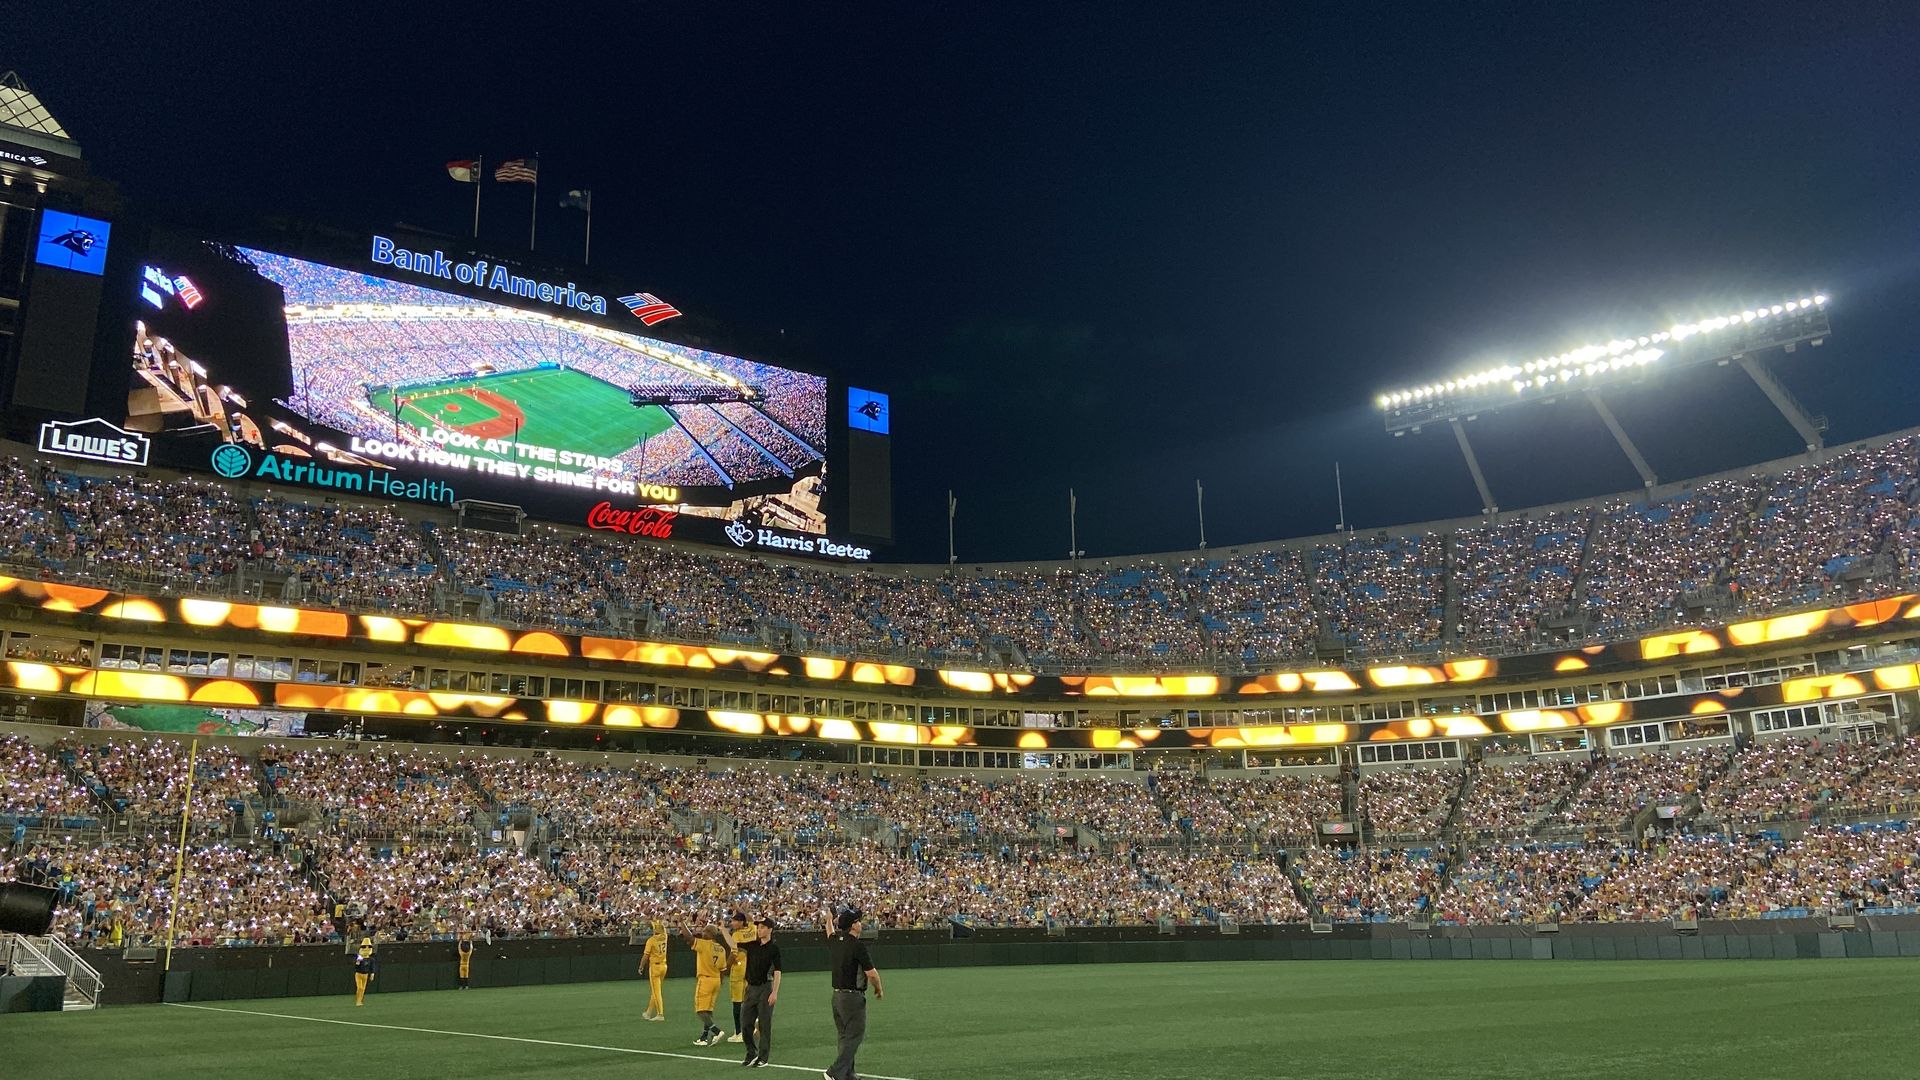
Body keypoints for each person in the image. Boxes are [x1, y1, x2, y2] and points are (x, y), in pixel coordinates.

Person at [822, 907, 883, 1080]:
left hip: (837, 997)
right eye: (857, 921)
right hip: (852, 998)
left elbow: (829, 933)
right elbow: (871, 973)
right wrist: (879, 989)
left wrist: (828, 920)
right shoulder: (857, 946)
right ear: (852, 926)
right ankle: (834, 1072)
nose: (859, 923)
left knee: (844, 1036)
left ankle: (848, 1074)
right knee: (855, 1036)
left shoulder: (836, 941)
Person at [736, 916, 782, 1069]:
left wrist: (774, 992)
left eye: (762, 927)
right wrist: (723, 930)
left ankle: (763, 1057)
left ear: (769, 929)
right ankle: (751, 1052)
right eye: (758, 927)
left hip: (765, 988)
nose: (759, 930)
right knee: (746, 1024)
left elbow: (777, 971)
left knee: (764, 1024)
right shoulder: (752, 945)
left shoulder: (774, 948)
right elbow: (734, 945)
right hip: (751, 989)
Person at [684, 923, 733, 1046]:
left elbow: (689, 938)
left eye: (705, 931)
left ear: (710, 934)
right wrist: (720, 982)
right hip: (716, 980)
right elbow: (723, 969)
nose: (702, 933)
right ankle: (704, 1037)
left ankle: (716, 1031)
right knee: (708, 1010)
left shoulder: (704, 944)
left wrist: (681, 923)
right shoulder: (721, 948)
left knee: (700, 1011)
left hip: (705, 980)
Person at [724, 911, 750, 1042]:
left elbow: (734, 954)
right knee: (747, 1000)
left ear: (740, 922)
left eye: (734, 921)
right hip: (748, 968)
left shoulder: (737, 935)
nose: (732, 923)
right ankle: (750, 1027)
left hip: (738, 970)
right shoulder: (751, 929)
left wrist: (725, 968)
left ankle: (739, 1032)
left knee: (737, 1002)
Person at [640, 920, 668, 1021]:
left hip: (655, 968)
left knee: (657, 992)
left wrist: (641, 966)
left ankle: (660, 1014)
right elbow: (662, 929)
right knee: (656, 991)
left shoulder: (651, 940)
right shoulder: (665, 937)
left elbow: (645, 956)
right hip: (664, 966)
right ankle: (648, 1013)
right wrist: (653, 922)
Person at [352, 937, 379, 1007]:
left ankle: (360, 1001)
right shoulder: (360, 957)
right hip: (359, 974)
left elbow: (372, 967)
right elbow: (356, 966)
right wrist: (357, 962)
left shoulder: (371, 959)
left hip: (365, 974)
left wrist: (372, 974)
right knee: (359, 987)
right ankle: (358, 1001)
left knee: (363, 988)